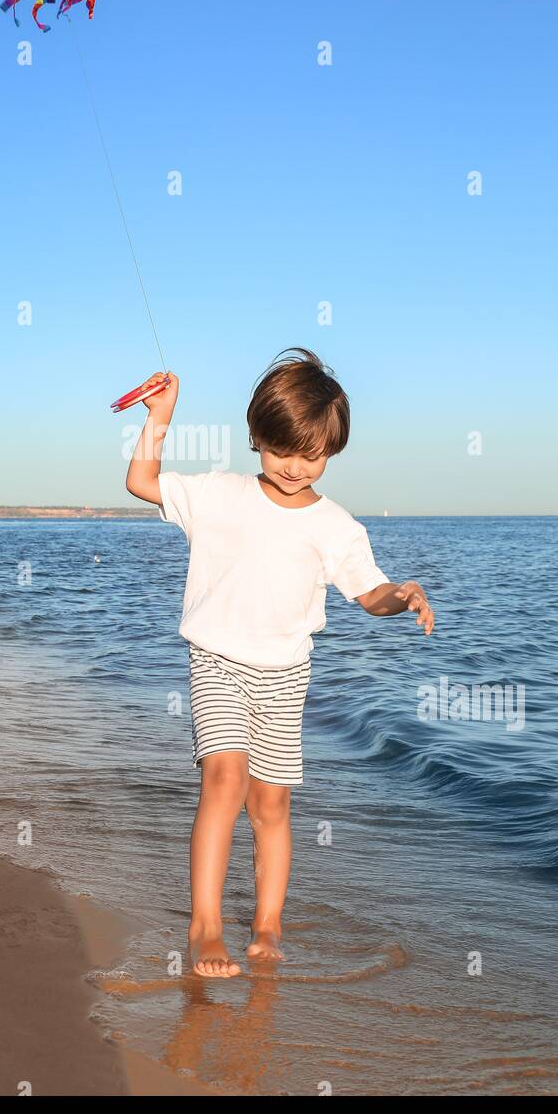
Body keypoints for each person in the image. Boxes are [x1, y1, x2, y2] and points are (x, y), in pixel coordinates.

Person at [126, 348, 434, 978]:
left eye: (313, 455)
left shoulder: (336, 526)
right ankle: (205, 926)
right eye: (282, 450)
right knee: (224, 780)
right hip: (217, 661)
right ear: (256, 438)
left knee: (271, 805)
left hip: (286, 676)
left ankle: (267, 925)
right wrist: (161, 415)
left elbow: (366, 591)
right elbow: (143, 482)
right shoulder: (219, 495)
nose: (296, 468)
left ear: (333, 450)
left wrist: (400, 595)